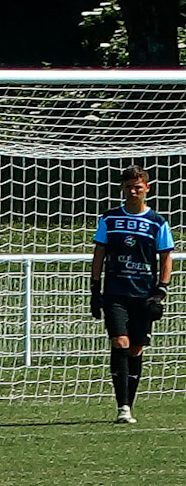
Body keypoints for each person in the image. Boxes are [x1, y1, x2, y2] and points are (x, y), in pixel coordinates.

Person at [90, 165, 171, 424]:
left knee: (136, 349)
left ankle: (129, 403)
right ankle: (122, 406)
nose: (133, 191)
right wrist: (94, 288)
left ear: (146, 188)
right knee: (120, 343)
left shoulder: (157, 222)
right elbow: (99, 253)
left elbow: (166, 256)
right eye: (128, 187)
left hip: (143, 295)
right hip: (116, 292)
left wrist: (161, 291)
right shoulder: (110, 218)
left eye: (138, 186)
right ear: (122, 189)